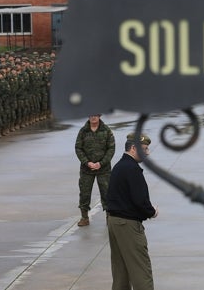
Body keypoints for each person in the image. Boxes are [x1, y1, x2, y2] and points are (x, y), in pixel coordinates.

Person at [106, 132, 158, 290]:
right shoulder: (132, 169)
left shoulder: (119, 167)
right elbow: (140, 200)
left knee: (120, 272)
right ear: (134, 148)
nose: (147, 153)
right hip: (128, 225)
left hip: (114, 223)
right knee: (141, 271)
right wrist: (151, 212)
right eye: (145, 149)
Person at [74, 113, 116, 226]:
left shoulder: (106, 131)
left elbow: (111, 148)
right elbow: (78, 148)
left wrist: (101, 163)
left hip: (104, 169)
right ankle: (84, 217)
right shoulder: (83, 131)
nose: (93, 117)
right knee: (84, 193)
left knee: (107, 193)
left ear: (99, 116)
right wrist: (87, 162)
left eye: (96, 115)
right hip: (86, 169)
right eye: (91, 115)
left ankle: (109, 217)